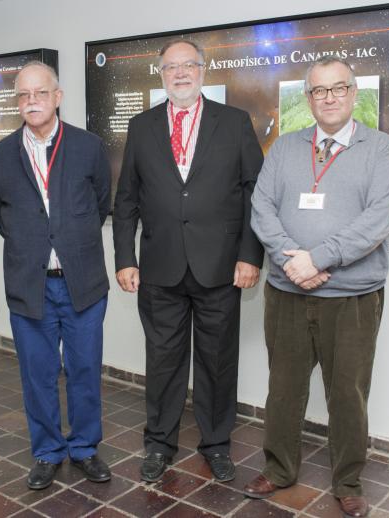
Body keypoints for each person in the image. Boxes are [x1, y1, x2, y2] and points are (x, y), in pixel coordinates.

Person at [245, 56, 389, 518]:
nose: (329, 98)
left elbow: (376, 221)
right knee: (283, 388)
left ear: (354, 94)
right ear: (308, 98)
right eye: (319, 90)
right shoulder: (284, 147)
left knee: (348, 394)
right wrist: (295, 261)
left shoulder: (381, 149)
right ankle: (278, 470)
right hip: (288, 293)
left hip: (352, 297)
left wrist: (317, 258)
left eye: (338, 89)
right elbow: (262, 209)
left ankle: (348, 480)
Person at [113, 39, 264, 483]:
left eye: (188, 66)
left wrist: (249, 255)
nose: (180, 74)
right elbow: (127, 201)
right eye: (171, 67)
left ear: (203, 70)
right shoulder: (141, 127)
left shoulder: (234, 123)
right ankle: (159, 444)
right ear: (160, 74)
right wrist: (125, 257)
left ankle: (216, 444)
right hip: (159, 268)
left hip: (220, 268)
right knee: (162, 361)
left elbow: (255, 194)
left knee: (218, 362)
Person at [0, 61, 111, 490]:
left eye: (40, 93)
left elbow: (101, 204)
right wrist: (36, 244)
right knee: (37, 374)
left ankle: (85, 448)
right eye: (23, 95)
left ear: (57, 97)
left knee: (84, 370)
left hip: (83, 284)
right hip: (29, 284)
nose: (31, 101)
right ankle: (47, 451)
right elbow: (3, 216)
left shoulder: (89, 147)